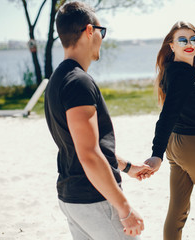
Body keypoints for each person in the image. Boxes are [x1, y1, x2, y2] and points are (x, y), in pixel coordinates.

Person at [44, 2, 151, 239]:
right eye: (102, 32)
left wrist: (127, 167)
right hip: (94, 198)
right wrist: (125, 209)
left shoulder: (56, 80)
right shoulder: (78, 82)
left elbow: (80, 145)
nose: (102, 38)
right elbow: (89, 155)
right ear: (90, 30)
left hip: (72, 198)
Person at [143, 21, 195, 240]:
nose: (189, 44)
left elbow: (188, 108)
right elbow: (168, 114)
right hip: (193, 146)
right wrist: (156, 153)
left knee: (177, 209)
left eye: (194, 39)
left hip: (176, 145)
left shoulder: (176, 71)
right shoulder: (183, 75)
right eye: (182, 39)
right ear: (172, 45)